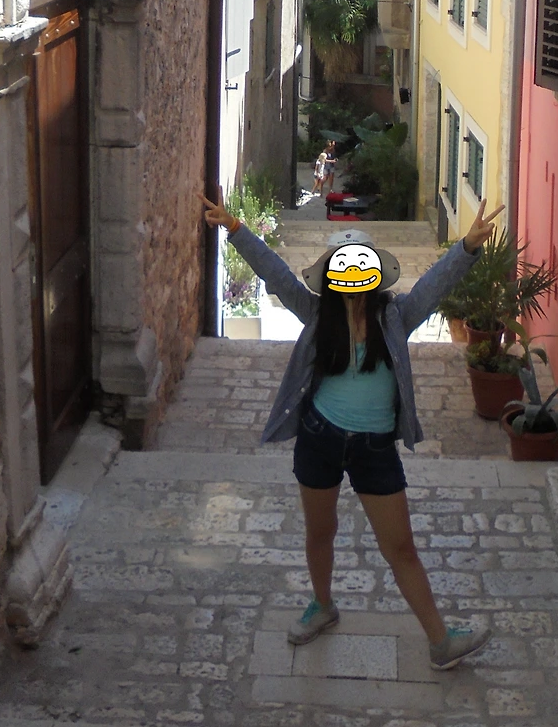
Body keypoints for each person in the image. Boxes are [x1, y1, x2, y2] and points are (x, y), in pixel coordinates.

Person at [201, 189, 504, 669]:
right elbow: (276, 276)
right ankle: (323, 605)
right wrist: (235, 229)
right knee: (320, 533)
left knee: (400, 547)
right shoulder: (317, 314)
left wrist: (467, 245)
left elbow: (433, 286)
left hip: (375, 450)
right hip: (321, 439)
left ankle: (441, 641)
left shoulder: (395, 317)